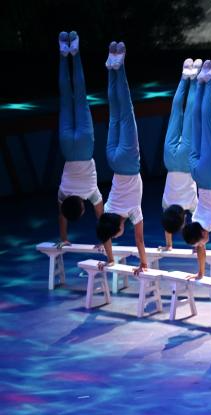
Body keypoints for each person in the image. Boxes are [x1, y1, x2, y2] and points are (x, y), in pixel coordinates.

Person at [95, 41, 146, 270]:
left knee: (125, 110)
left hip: (128, 161)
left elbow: (139, 240)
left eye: (116, 235)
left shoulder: (133, 212)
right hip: (113, 161)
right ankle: (111, 67)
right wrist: (110, 258)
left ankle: (120, 64)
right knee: (114, 112)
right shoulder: (107, 211)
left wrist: (143, 263)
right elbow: (104, 232)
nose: (116, 236)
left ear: (119, 228)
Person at [181, 60, 211, 285]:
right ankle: (200, 82)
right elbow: (202, 249)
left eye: (199, 243)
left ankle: (210, 80)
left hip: (209, 176)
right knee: (197, 123)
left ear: (201, 235)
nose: (201, 246)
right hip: (197, 175)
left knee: (207, 123)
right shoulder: (195, 220)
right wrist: (200, 274)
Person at [56, 31, 104, 245]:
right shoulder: (62, 193)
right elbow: (61, 216)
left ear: (83, 206)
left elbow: (101, 217)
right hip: (67, 147)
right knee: (66, 97)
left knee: (81, 96)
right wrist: (63, 237)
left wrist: (103, 239)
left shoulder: (91, 193)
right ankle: (63, 54)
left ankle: (74, 53)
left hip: (85, 147)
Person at [161, 58, 200, 249]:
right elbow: (167, 225)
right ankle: (185, 76)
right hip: (169, 160)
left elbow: (199, 225)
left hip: (185, 163)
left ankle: (194, 77)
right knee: (176, 113)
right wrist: (168, 244)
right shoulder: (166, 205)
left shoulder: (191, 205)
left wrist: (197, 244)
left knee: (189, 113)